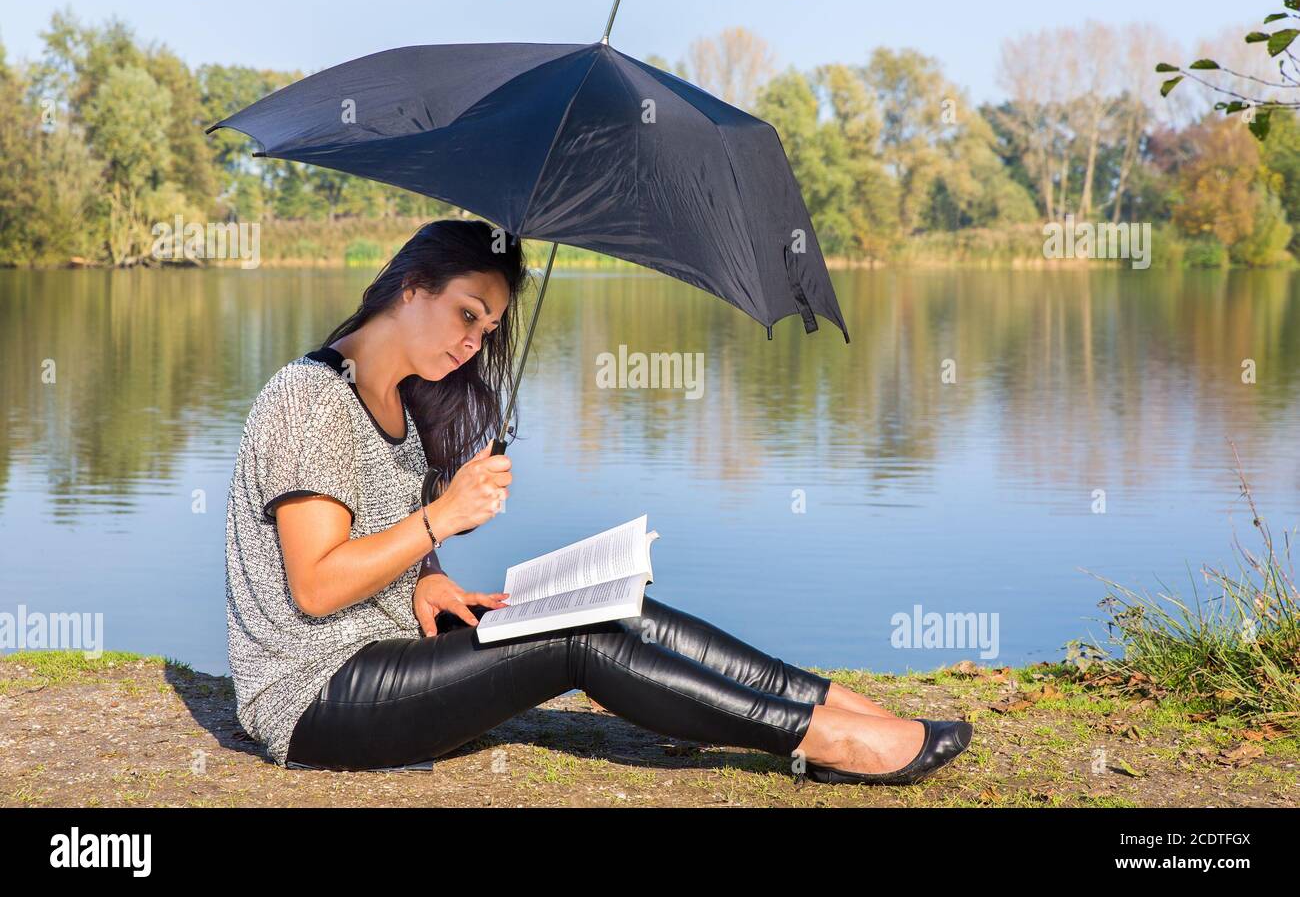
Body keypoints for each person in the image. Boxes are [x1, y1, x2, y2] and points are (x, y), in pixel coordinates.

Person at [223, 218, 974, 785]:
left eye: (488, 327)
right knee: (574, 641)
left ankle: (834, 704)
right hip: (315, 698)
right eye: (466, 313)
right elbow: (317, 586)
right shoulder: (316, 398)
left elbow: (380, 537)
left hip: (386, 654)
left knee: (610, 603)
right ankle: (822, 742)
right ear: (411, 287)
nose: (475, 342)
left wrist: (429, 573)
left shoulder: (394, 397)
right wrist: (438, 518)